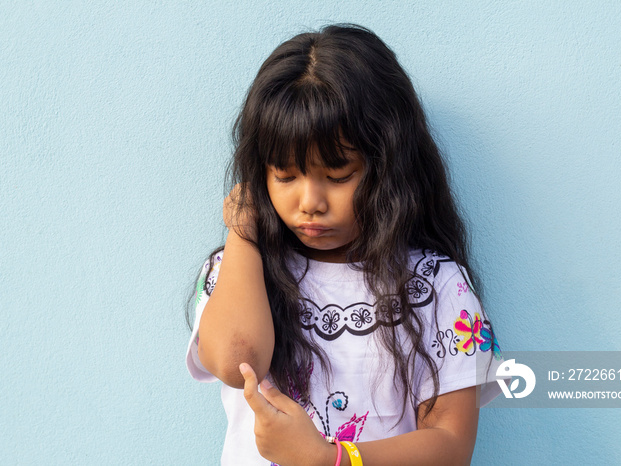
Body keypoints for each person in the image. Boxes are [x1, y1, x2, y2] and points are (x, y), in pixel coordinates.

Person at [185, 23, 505, 466]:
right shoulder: (238, 270)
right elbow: (238, 362)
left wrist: (329, 459)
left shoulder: (436, 285)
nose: (309, 203)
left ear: (388, 169)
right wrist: (243, 230)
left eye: (337, 176)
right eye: (284, 175)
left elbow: (451, 447)